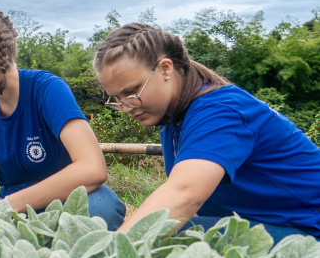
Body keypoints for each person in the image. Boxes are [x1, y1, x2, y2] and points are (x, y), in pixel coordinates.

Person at [93, 22, 320, 240]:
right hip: (270, 226)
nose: (125, 107)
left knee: (177, 237)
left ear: (165, 69)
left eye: (131, 92)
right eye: (116, 99)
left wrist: (109, 255)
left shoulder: (220, 111)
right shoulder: (171, 119)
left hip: (307, 230)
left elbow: (184, 194)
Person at [0, 9, 125, 230]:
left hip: (64, 197)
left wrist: (12, 204)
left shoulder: (48, 89)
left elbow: (93, 168)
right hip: (14, 208)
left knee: (102, 207)